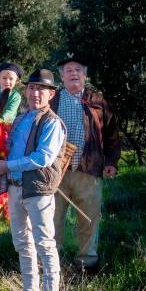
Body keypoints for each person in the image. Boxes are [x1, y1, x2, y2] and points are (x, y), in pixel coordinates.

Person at [0, 69, 66, 291]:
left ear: (51, 93)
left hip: (38, 190)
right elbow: (10, 148)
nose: (35, 93)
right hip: (15, 188)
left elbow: (42, 158)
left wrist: (7, 165)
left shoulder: (52, 123)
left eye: (41, 89)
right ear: (26, 91)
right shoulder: (22, 119)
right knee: (22, 241)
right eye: (32, 88)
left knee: (44, 243)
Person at [51, 55, 121, 272]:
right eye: (69, 70)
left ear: (85, 75)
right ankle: (52, 263)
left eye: (78, 70)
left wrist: (111, 161)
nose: (73, 73)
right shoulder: (51, 100)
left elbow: (111, 134)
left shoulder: (97, 100)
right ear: (61, 76)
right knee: (52, 219)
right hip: (55, 172)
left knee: (89, 218)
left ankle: (86, 264)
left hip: (89, 169)